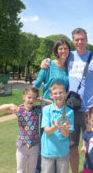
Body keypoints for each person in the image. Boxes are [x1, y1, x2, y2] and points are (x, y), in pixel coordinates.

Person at [41, 28, 93, 173]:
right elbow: (58, 58)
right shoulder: (69, 56)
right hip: (71, 110)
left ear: (87, 40)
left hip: (90, 110)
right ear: (73, 41)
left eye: (82, 39)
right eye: (76, 39)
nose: (79, 42)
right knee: (72, 146)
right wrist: (46, 61)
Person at [34, 39, 71, 173]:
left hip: (62, 108)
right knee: (45, 139)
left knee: (59, 138)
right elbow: (37, 83)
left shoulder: (69, 67)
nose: (63, 51)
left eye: (66, 48)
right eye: (60, 48)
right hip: (47, 108)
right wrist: (29, 99)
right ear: (56, 51)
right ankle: (38, 169)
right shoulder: (48, 65)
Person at [0, 87, 51, 173]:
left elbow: (52, 104)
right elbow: (0, 108)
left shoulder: (37, 109)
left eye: (34, 98)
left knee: (32, 170)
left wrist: (43, 100)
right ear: (24, 97)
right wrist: (10, 105)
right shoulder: (19, 109)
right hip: (21, 146)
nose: (31, 100)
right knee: (20, 170)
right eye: (29, 97)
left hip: (34, 146)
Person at [41, 82, 74, 173]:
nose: (58, 95)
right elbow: (47, 131)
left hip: (62, 152)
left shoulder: (70, 112)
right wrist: (55, 128)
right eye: (55, 93)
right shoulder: (46, 110)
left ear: (65, 93)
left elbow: (66, 134)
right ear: (51, 95)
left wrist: (64, 129)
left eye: (60, 92)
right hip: (48, 151)